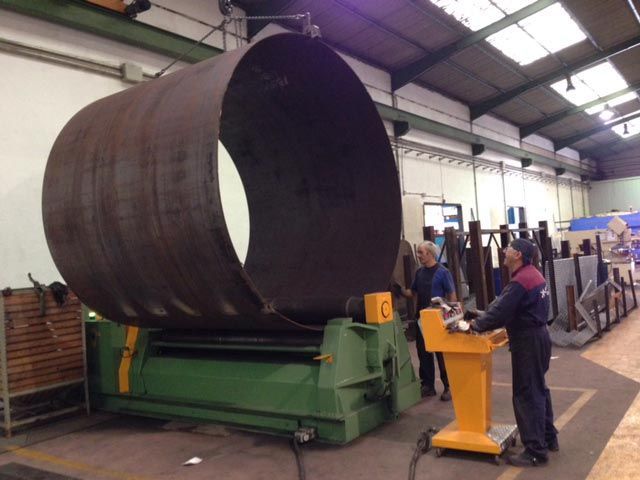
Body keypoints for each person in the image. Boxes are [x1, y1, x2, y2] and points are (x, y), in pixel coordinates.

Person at [466, 238, 558, 467]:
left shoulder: (520, 281)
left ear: (517, 255)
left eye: (508, 248)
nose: (504, 251)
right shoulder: (533, 275)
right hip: (539, 337)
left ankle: (535, 451)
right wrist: (483, 314)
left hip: (527, 342)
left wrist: (473, 325)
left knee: (527, 394)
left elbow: (500, 312)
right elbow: (508, 306)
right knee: (538, 389)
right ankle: (548, 438)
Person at [400, 241, 456, 401]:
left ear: (430, 254)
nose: (418, 255)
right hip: (421, 320)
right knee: (423, 353)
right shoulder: (419, 273)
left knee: (441, 354)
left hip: (438, 320)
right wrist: (400, 290)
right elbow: (412, 292)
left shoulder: (443, 272)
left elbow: (452, 296)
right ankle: (427, 386)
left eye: (420, 252)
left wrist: (451, 318)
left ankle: (449, 386)